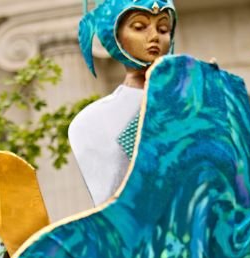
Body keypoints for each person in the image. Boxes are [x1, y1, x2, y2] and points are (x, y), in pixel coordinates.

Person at [68, 0, 177, 205]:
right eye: (139, 27)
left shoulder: (193, 102)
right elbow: (110, 200)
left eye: (163, 29)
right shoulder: (89, 122)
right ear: (115, 36)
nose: (154, 36)